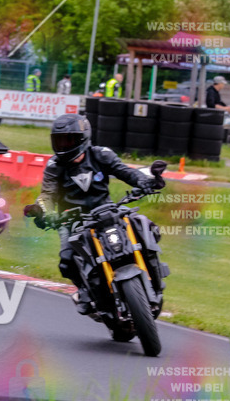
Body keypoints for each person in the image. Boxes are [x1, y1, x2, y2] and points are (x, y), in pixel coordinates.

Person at [31, 114, 166, 313]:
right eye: (59, 140)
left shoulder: (101, 154)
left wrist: (144, 182)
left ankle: (155, 276)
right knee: (67, 261)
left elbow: (125, 172)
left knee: (145, 226)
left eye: (69, 139)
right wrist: (42, 211)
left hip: (108, 210)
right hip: (72, 220)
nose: (63, 145)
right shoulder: (54, 166)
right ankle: (85, 292)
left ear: (83, 138)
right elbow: (47, 194)